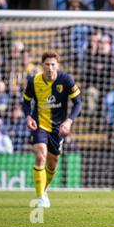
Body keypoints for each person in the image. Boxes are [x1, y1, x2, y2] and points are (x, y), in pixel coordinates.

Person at [22, 51, 82, 208]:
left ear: (58, 65)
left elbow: (78, 103)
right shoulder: (34, 81)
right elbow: (26, 102)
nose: (50, 68)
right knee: (41, 155)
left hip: (58, 128)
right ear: (42, 66)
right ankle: (41, 196)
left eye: (53, 64)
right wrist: (28, 117)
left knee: (52, 164)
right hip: (39, 124)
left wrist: (69, 121)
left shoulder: (66, 80)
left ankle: (44, 189)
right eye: (47, 64)